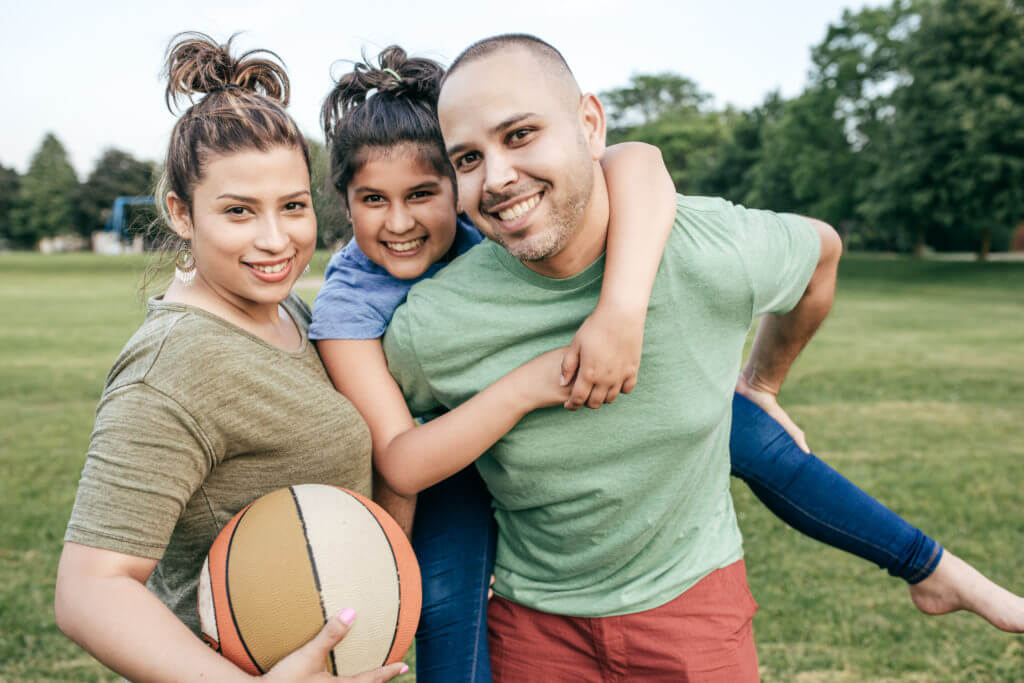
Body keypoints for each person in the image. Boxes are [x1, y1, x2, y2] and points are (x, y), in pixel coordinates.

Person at [377, 34, 1024, 680]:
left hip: (693, 613)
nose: (496, 178)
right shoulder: (434, 326)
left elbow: (823, 253)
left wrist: (762, 381)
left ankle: (931, 567)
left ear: (590, 124)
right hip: (533, 625)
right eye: (467, 158)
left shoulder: (710, 251)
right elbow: (387, 458)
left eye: (519, 135)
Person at [311, 45, 678, 683]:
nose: (399, 222)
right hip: (446, 464)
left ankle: (914, 558)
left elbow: (637, 159)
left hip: (550, 429)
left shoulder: (498, 224)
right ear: (345, 203)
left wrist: (622, 310)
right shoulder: (346, 305)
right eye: (373, 199)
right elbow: (402, 459)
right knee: (450, 616)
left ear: (457, 185)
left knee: (751, 431)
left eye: (424, 192)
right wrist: (391, 560)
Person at [54, 34, 407, 683]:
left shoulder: (293, 314)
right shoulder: (172, 365)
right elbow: (89, 589)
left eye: (293, 207)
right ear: (182, 213)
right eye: (240, 211)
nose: (276, 239)